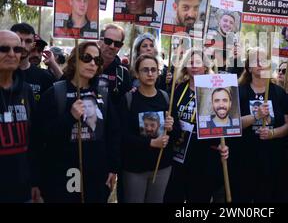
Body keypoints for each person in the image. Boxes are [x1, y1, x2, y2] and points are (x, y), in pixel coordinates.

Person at [36, 41, 120, 203]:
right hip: (62, 177)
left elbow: (113, 133)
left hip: (96, 177)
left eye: (97, 60)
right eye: (86, 58)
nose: (92, 63)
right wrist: (70, 117)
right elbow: (41, 136)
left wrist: (113, 167)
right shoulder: (55, 93)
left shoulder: (103, 94)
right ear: (74, 60)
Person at [164, 49, 229, 203]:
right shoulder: (177, 89)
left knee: (199, 197)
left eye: (198, 63)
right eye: (190, 62)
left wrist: (223, 145)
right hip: (179, 151)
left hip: (204, 155)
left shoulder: (215, 89)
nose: (194, 66)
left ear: (205, 66)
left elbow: (224, 120)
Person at [228, 47, 288, 202]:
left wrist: (273, 133)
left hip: (271, 160)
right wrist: (256, 116)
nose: (260, 64)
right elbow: (231, 124)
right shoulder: (238, 91)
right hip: (243, 159)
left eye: (264, 60)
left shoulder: (278, 92)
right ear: (249, 67)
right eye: (256, 60)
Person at [120, 54, 176, 203]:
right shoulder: (129, 99)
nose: (150, 74)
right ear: (137, 73)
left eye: (153, 70)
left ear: (158, 72)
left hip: (161, 166)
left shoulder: (166, 98)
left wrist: (171, 127)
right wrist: (151, 143)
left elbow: (175, 135)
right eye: (145, 70)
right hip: (135, 168)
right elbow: (123, 136)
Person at [0, 30, 39, 203]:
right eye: (3, 49)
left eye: (17, 50)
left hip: (22, 189)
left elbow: (35, 139)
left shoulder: (26, 90)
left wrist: (35, 181)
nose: (11, 54)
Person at [10, 23, 55, 103]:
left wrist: (54, 64)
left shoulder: (44, 77)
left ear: (33, 44)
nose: (23, 46)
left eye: (28, 41)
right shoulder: (3, 73)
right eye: (19, 40)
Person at [98, 23, 132, 103]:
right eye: (108, 41)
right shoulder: (85, 66)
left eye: (117, 44)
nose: (112, 46)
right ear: (99, 41)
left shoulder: (123, 73)